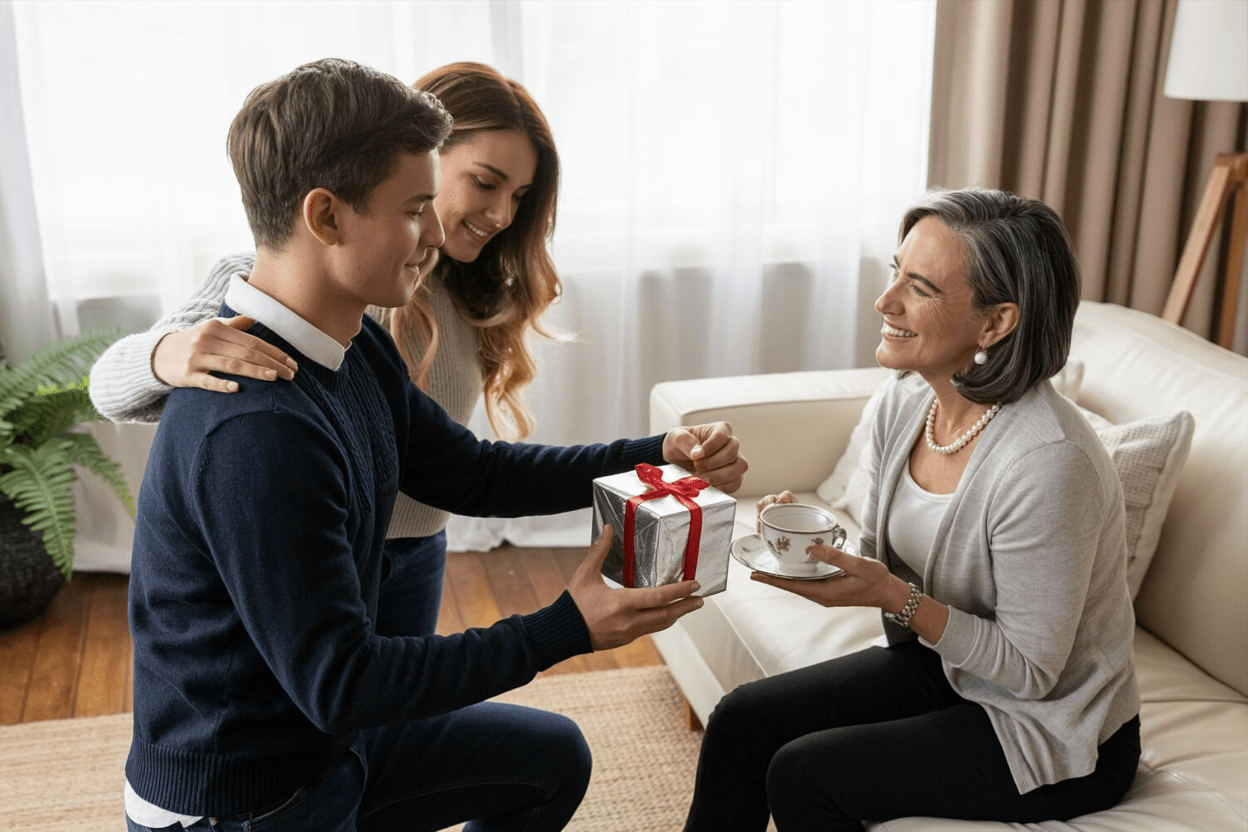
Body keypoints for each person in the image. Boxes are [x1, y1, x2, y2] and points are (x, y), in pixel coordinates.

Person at [123, 57, 747, 832]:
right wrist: (567, 627)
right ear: (326, 217)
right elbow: (344, 682)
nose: (435, 232)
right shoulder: (255, 429)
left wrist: (659, 452)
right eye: (415, 208)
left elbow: (471, 474)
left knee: (550, 759)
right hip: (247, 799)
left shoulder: (351, 342)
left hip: (329, 745)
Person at [682, 187, 1140, 831]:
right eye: (894, 271)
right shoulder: (907, 402)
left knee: (804, 774)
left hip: (1054, 728)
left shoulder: (1048, 462)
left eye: (919, 287)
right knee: (741, 721)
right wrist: (811, 543)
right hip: (947, 668)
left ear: (996, 323)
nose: (884, 301)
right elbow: (887, 563)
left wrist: (896, 598)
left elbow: (1033, 673)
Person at [89, 61, 561, 638]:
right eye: (485, 183)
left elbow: (464, 468)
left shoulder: (473, 294)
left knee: (404, 716)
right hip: (324, 557)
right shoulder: (286, 287)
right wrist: (165, 353)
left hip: (419, 549)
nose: (502, 215)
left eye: (519, 196)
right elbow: (106, 384)